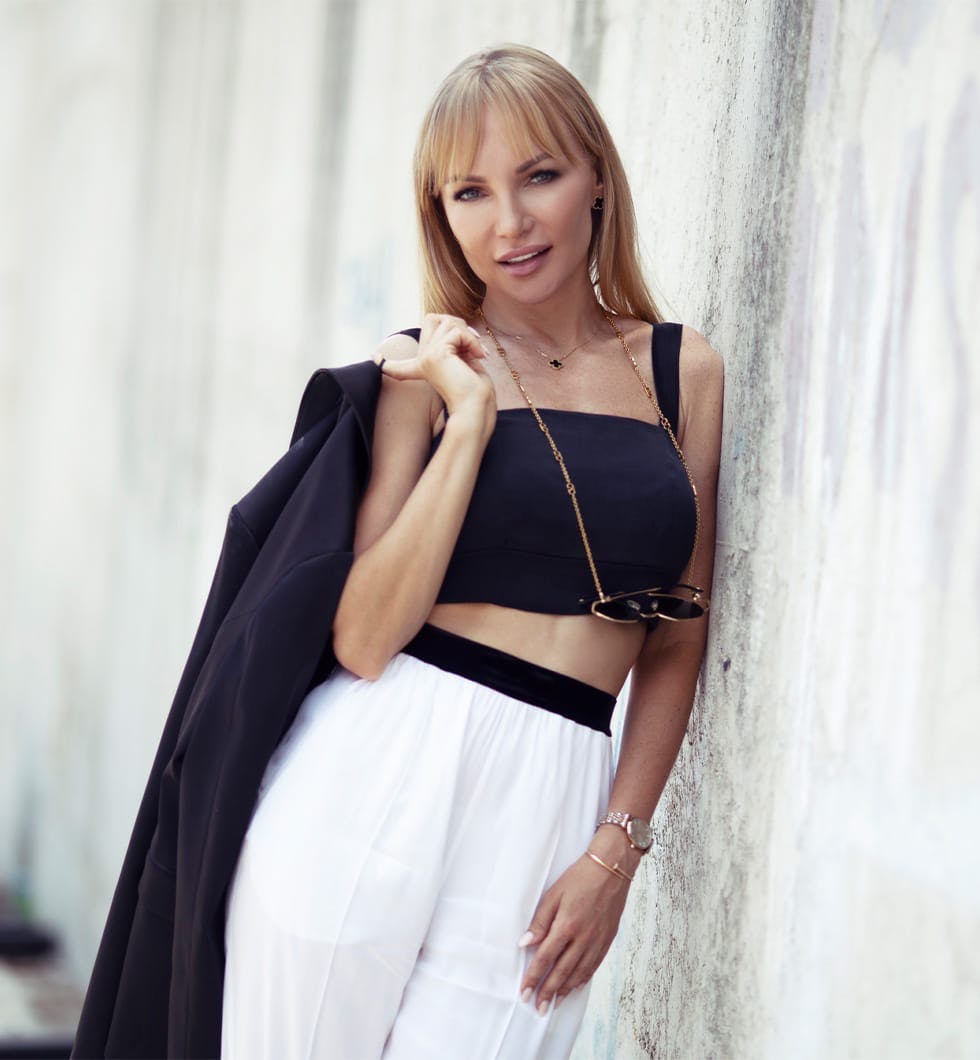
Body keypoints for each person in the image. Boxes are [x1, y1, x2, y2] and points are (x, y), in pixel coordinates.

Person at [219, 43, 724, 1059]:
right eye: (470, 191)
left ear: (595, 178)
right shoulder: (424, 374)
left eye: (538, 174)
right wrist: (470, 416)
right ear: (438, 211)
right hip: (373, 767)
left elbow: (676, 633)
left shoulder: (682, 372)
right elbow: (363, 637)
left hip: (555, 786)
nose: (510, 222)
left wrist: (613, 852)